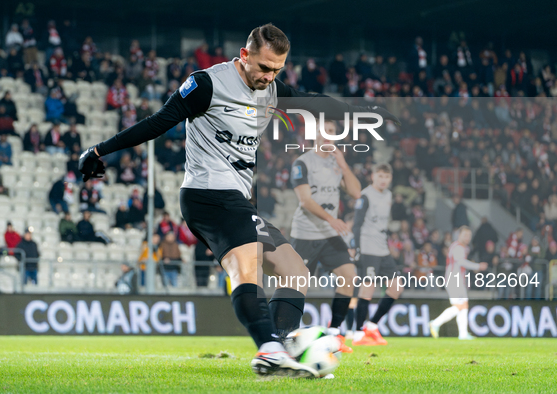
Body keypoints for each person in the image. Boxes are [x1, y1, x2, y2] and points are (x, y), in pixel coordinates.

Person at [79, 23, 398, 378]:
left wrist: (364, 110)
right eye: (264, 67)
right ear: (244, 56)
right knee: (247, 268)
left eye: (277, 70)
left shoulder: (272, 90)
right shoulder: (207, 84)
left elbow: (312, 102)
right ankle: (269, 349)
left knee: (295, 269)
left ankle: (281, 343)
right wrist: (98, 150)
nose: (269, 77)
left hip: (236, 199)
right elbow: (158, 123)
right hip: (207, 195)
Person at [290, 119, 359, 350]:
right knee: (297, 285)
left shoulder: (335, 164)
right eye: (325, 131)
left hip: (329, 235)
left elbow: (357, 192)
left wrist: (344, 165)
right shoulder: (302, 162)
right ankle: (288, 333)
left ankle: (335, 333)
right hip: (306, 233)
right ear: (315, 134)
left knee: (349, 275)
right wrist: (332, 219)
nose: (329, 135)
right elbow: (305, 201)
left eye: (332, 132)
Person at [351, 163, 404, 346]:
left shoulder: (388, 195)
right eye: (380, 176)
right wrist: (355, 248)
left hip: (382, 247)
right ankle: (358, 333)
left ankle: (372, 326)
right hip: (368, 247)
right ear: (373, 176)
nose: (383, 180)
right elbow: (357, 224)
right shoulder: (365, 196)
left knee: (397, 286)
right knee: (368, 289)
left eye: (387, 177)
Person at [429, 226, 487, 340]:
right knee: (459, 306)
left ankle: (463, 333)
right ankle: (436, 323)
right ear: (459, 235)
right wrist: (477, 266)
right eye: (465, 235)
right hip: (453, 280)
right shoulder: (457, 247)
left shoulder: (461, 247)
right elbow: (461, 262)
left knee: (464, 305)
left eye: (469, 235)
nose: (467, 238)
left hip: (458, 280)